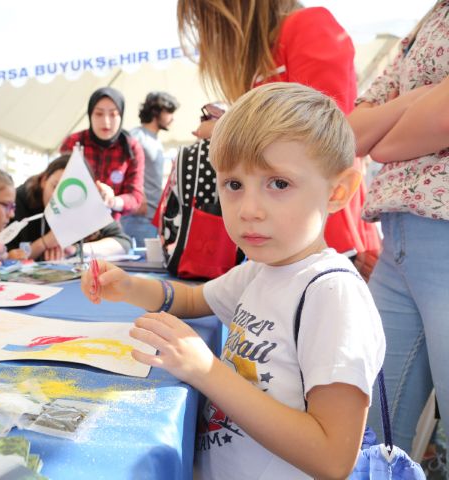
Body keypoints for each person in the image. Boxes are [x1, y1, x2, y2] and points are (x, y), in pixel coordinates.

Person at [81, 83, 385, 479]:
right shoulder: (261, 269)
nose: (249, 210)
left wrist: (206, 370)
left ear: (339, 191)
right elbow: (192, 301)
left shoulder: (332, 294)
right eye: (234, 185)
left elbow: (332, 457)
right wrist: (128, 286)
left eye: (279, 184)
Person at [177, 0, 381, 279]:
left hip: (327, 241)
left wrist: (224, 129)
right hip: (287, 246)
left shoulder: (309, 26)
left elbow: (328, 136)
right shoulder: (270, 49)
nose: (208, 31)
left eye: (207, 17)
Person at [347, 0, 449, 454]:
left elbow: (384, 144)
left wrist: (385, 129)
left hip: (434, 236)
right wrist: (419, 99)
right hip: (398, 243)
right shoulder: (430, 17)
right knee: (371, 429)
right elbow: (351, 134)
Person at [7, 155, 131, 261]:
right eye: (56, 187)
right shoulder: (17, 202)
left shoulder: (87, 206)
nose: (61, 199)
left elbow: (123, 243)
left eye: (73, 194)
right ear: (44, 180)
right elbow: (6, 255)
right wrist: (44, 243)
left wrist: (76, 249)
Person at [60, 87, 145, 221]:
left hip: (110, 225)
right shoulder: (74, 143)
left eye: (113, 114)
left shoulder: (132, 148)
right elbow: (60, 185)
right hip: (73, 220)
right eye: (99, 114)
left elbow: (135, 197)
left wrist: (112, 200)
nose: (106, 121)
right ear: (90, 114)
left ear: (121, 115)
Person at [121, 92, 180, 247]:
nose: (172, 117)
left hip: (153, 217)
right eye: (169, 111)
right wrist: (139, 197)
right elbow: (125, 168)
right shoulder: (137, 136)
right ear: (156, 112)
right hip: (138, 217)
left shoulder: (155, 140)